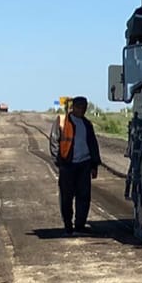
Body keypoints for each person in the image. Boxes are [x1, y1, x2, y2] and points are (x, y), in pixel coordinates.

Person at [54, 97, 101, 233]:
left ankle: (80, 225)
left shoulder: (87, 124)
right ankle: (68, 224)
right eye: (79, 107)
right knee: (66, 196)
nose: (82, 110)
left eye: (84, 107)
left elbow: (93, 145)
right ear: (73, 107)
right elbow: (54, 141)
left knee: (84, 196)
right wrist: (59, 161)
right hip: (68, 165)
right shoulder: (62, 122)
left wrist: (94, 165)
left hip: (84, 165)